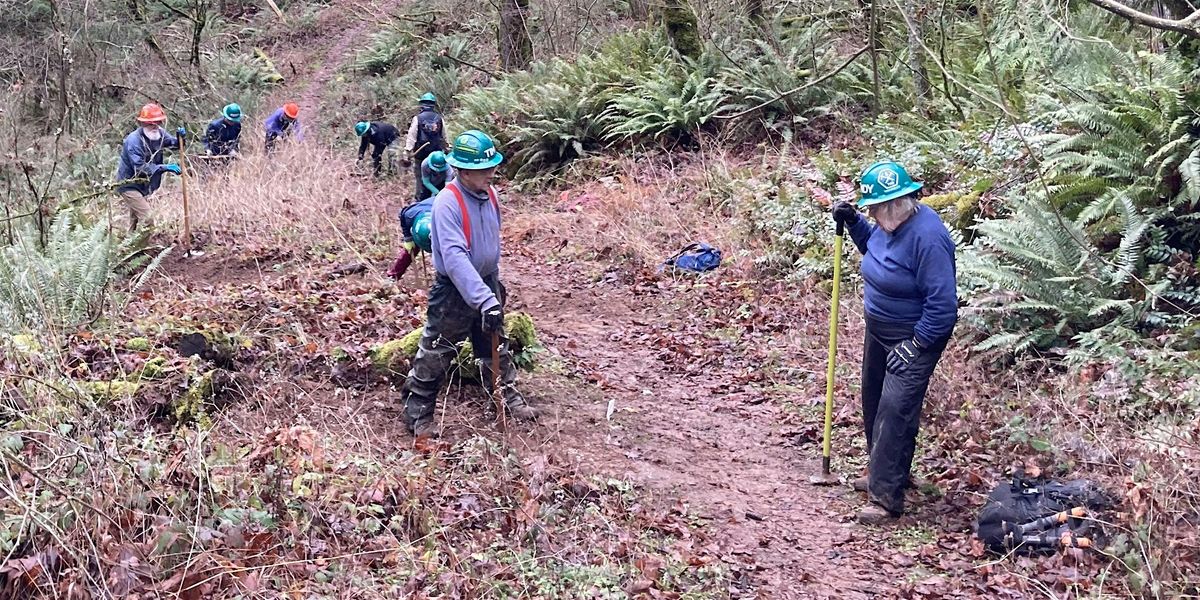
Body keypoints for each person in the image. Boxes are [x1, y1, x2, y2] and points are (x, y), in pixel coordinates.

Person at [830, 161, 957, 525]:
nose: (871, 213)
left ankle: (886, 498)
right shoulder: (889, 224)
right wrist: (854, 222)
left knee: (895, 409)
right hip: (880, 328)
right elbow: (875, 250)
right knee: (872, 400)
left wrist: (917, 344)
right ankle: (883, 471)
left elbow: (943, 305)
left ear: (893, 205)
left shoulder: (928, 238)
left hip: (915, 335)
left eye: (872, 209)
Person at [400, 129, 539, 437]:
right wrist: (483, 299)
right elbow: (455, 259)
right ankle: (418, 413)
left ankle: (506, 398)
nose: (491, 173)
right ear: (463, 170)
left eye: (492, 166)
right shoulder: (447, 204)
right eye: (483, 169)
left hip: (487, 283)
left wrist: (492, 290)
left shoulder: (490, 194)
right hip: (453, 292)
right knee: (437, 351)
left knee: (494, 346)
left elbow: (492, 237)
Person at [114, 103, 185, 232]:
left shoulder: (159, 134)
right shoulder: (134, 142)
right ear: (143, 124)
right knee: (148, 219)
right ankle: (142, 248)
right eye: (150, 123)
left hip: (143, 185)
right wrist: (164, 167)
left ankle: (131, 249)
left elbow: (175, 145)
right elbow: (140, 168)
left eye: (157, 122)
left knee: (134, 222)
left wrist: (180, 138)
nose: (154, 126)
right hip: (129, 184)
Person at [386, 152, 454, 279]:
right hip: (426, 208)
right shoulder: (410, 214)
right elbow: (403, 215)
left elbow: (449, 185)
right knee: (410, 250)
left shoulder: (447, 215)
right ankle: (393, 276)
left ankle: (449, 279)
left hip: (443, 217)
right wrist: (407, 238)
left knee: (450, 253)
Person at [404, 93, 447, 199]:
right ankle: (439, 197)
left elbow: (412, 136)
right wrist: (446, 148)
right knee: (439, 175)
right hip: (436, 153)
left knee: (420, 177)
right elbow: (444, 136)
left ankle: (420, 198)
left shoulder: (417, 118)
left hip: (420, 153)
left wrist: (407, 151)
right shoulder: (439, 118)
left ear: (422, 105)